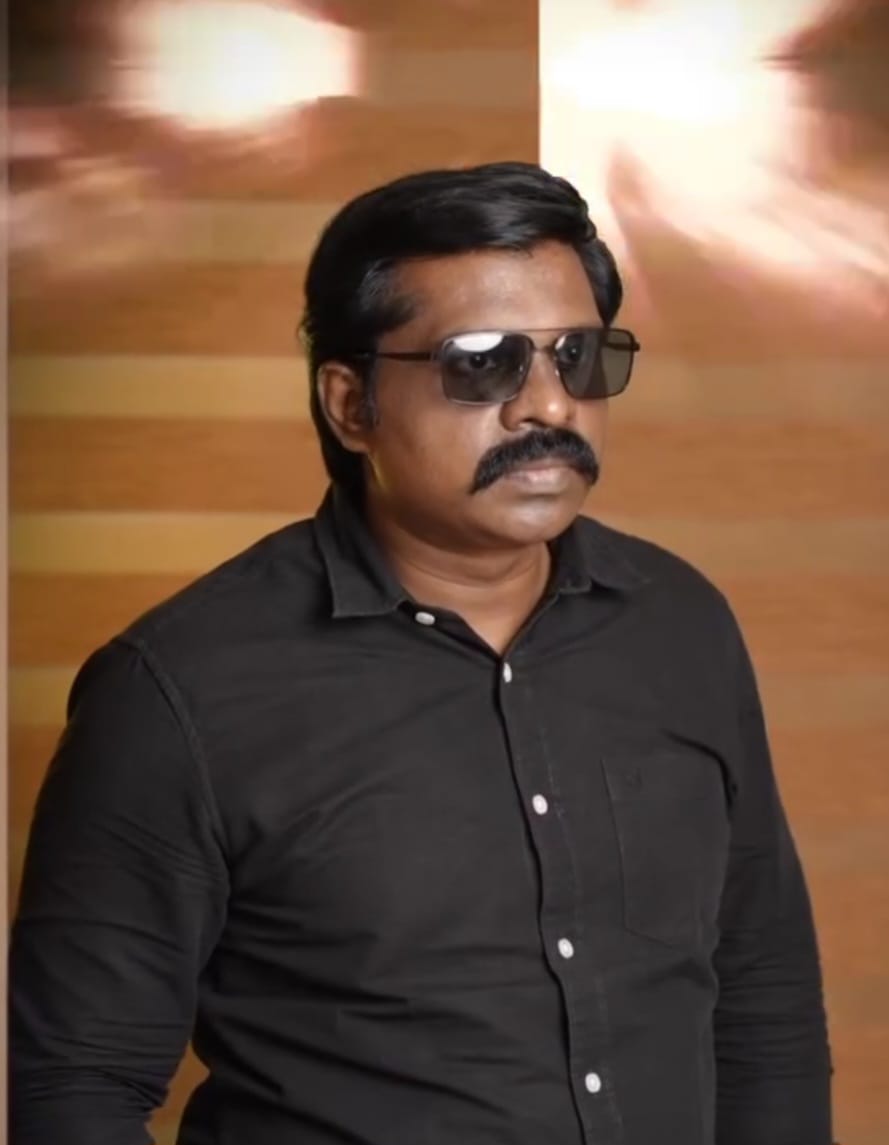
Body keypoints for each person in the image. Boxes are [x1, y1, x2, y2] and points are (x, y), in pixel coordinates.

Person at [10, 161, 833, 1145]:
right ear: (350, 404)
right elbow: (77, 1083)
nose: (547, 407)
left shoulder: (679, 625)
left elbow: (762, 994)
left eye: (576, 357)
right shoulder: (179, 687)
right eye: (480, 362)